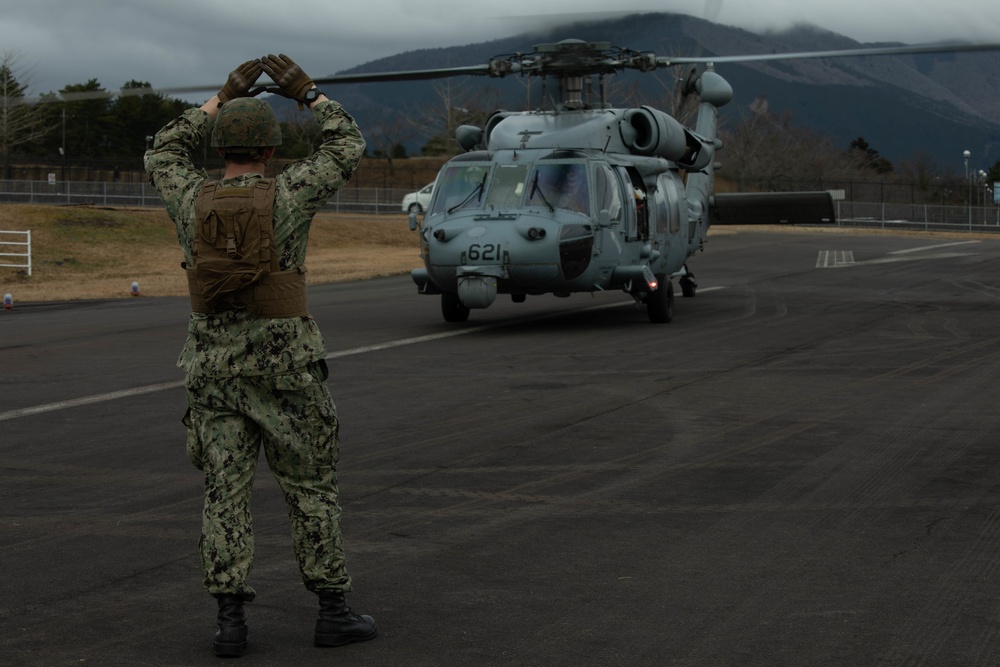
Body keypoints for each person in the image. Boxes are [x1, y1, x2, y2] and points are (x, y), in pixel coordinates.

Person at [144, 54, 376, 658]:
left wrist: (220, 95)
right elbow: (347, 143)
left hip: (213, 371)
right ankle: (332, 610)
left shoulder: (189, 196)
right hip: (284, 368)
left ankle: (230, 625)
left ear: (220, 147)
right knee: (310, 487)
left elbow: (162, 151)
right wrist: (309, 94)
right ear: (272, 152)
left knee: (224, 492)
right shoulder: (290, 194)